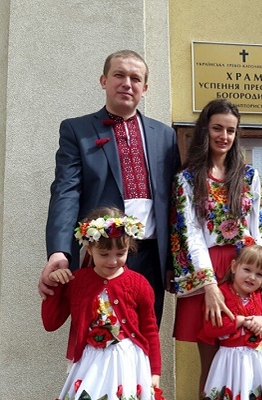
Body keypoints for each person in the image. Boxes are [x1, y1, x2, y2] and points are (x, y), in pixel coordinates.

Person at [39, 50, 180, 325]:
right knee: (101, 337)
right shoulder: (77, 130)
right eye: (119, 75)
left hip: (152, 258)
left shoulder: (165, 135)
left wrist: (174, 263)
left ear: (145, 88)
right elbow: (66, 193)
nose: (127, 83)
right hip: (103, 257)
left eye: (135, 78)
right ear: (104, 81)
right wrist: (59, 251)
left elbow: (174, 204)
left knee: (145, 337)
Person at [169, 98, 262, 395]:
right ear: (204, 130)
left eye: (230, 130)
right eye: (217, 128)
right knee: (213, 366)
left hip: (246, 269)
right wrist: (208, 286)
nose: (224, 136)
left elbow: (260, 229)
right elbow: (190, 233)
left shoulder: (248, 175)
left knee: (255, 353)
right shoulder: (187, 178)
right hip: (206, 271)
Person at [41, 207, 164, 400]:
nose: (113, 261)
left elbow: (150, 328)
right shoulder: (77, 282)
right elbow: (51, 323)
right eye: (104, 254)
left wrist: (155, 371)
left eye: (120, 253)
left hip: (128, 363)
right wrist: (55, 286)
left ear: (129, 246)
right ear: (89, 249)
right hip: (91, 364)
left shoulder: (139, 284)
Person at [199, 245, 262, 400]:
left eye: (259, 274)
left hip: (260, 361)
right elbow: (210, 329)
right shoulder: (220, 295)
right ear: (234, 267)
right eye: (247, 270)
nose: (252, 277)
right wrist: (238, 321)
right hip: (230, 361)